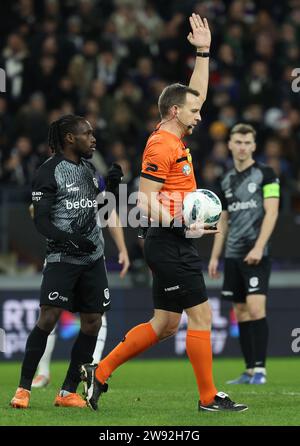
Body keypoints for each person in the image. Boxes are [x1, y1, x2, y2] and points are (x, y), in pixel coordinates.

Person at [80, 14, 248, 413]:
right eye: (192, 111)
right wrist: (182, 222)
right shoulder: (161, 146)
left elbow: (198, 94)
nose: (200, 115)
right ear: (174, 111)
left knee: (165, 324)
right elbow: (142, 199)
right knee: (202, 316)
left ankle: (98, 373)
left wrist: (203, 53)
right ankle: (209, 398)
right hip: (168, 240)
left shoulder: (175, 137)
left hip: (169, 240)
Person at [10, 114, 129, 408]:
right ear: (70, 139)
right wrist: (68, 239)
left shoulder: (90, 170)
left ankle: (67, 391)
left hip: (93, 258)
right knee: (48, 318)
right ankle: (23, 389)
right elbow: (41, 220)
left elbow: (104, 208)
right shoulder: (48, 172)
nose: (94, 138)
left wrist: (112, 188)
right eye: (88, 134)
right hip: (62, 258)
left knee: (92, 322)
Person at [208, 123, 280, 384]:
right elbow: (223, 221)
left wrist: (260, 246)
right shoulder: (225, 180)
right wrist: (215, 256)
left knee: (256, 306)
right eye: (238, 142)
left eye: (247, 142)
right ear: (229, 144)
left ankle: (260, 369)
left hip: (257, 252)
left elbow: (272, 212)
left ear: (254, 146)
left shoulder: (266, 174)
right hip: (233, 254)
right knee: (240, 311)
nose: (242, 147)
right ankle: (249, 370)